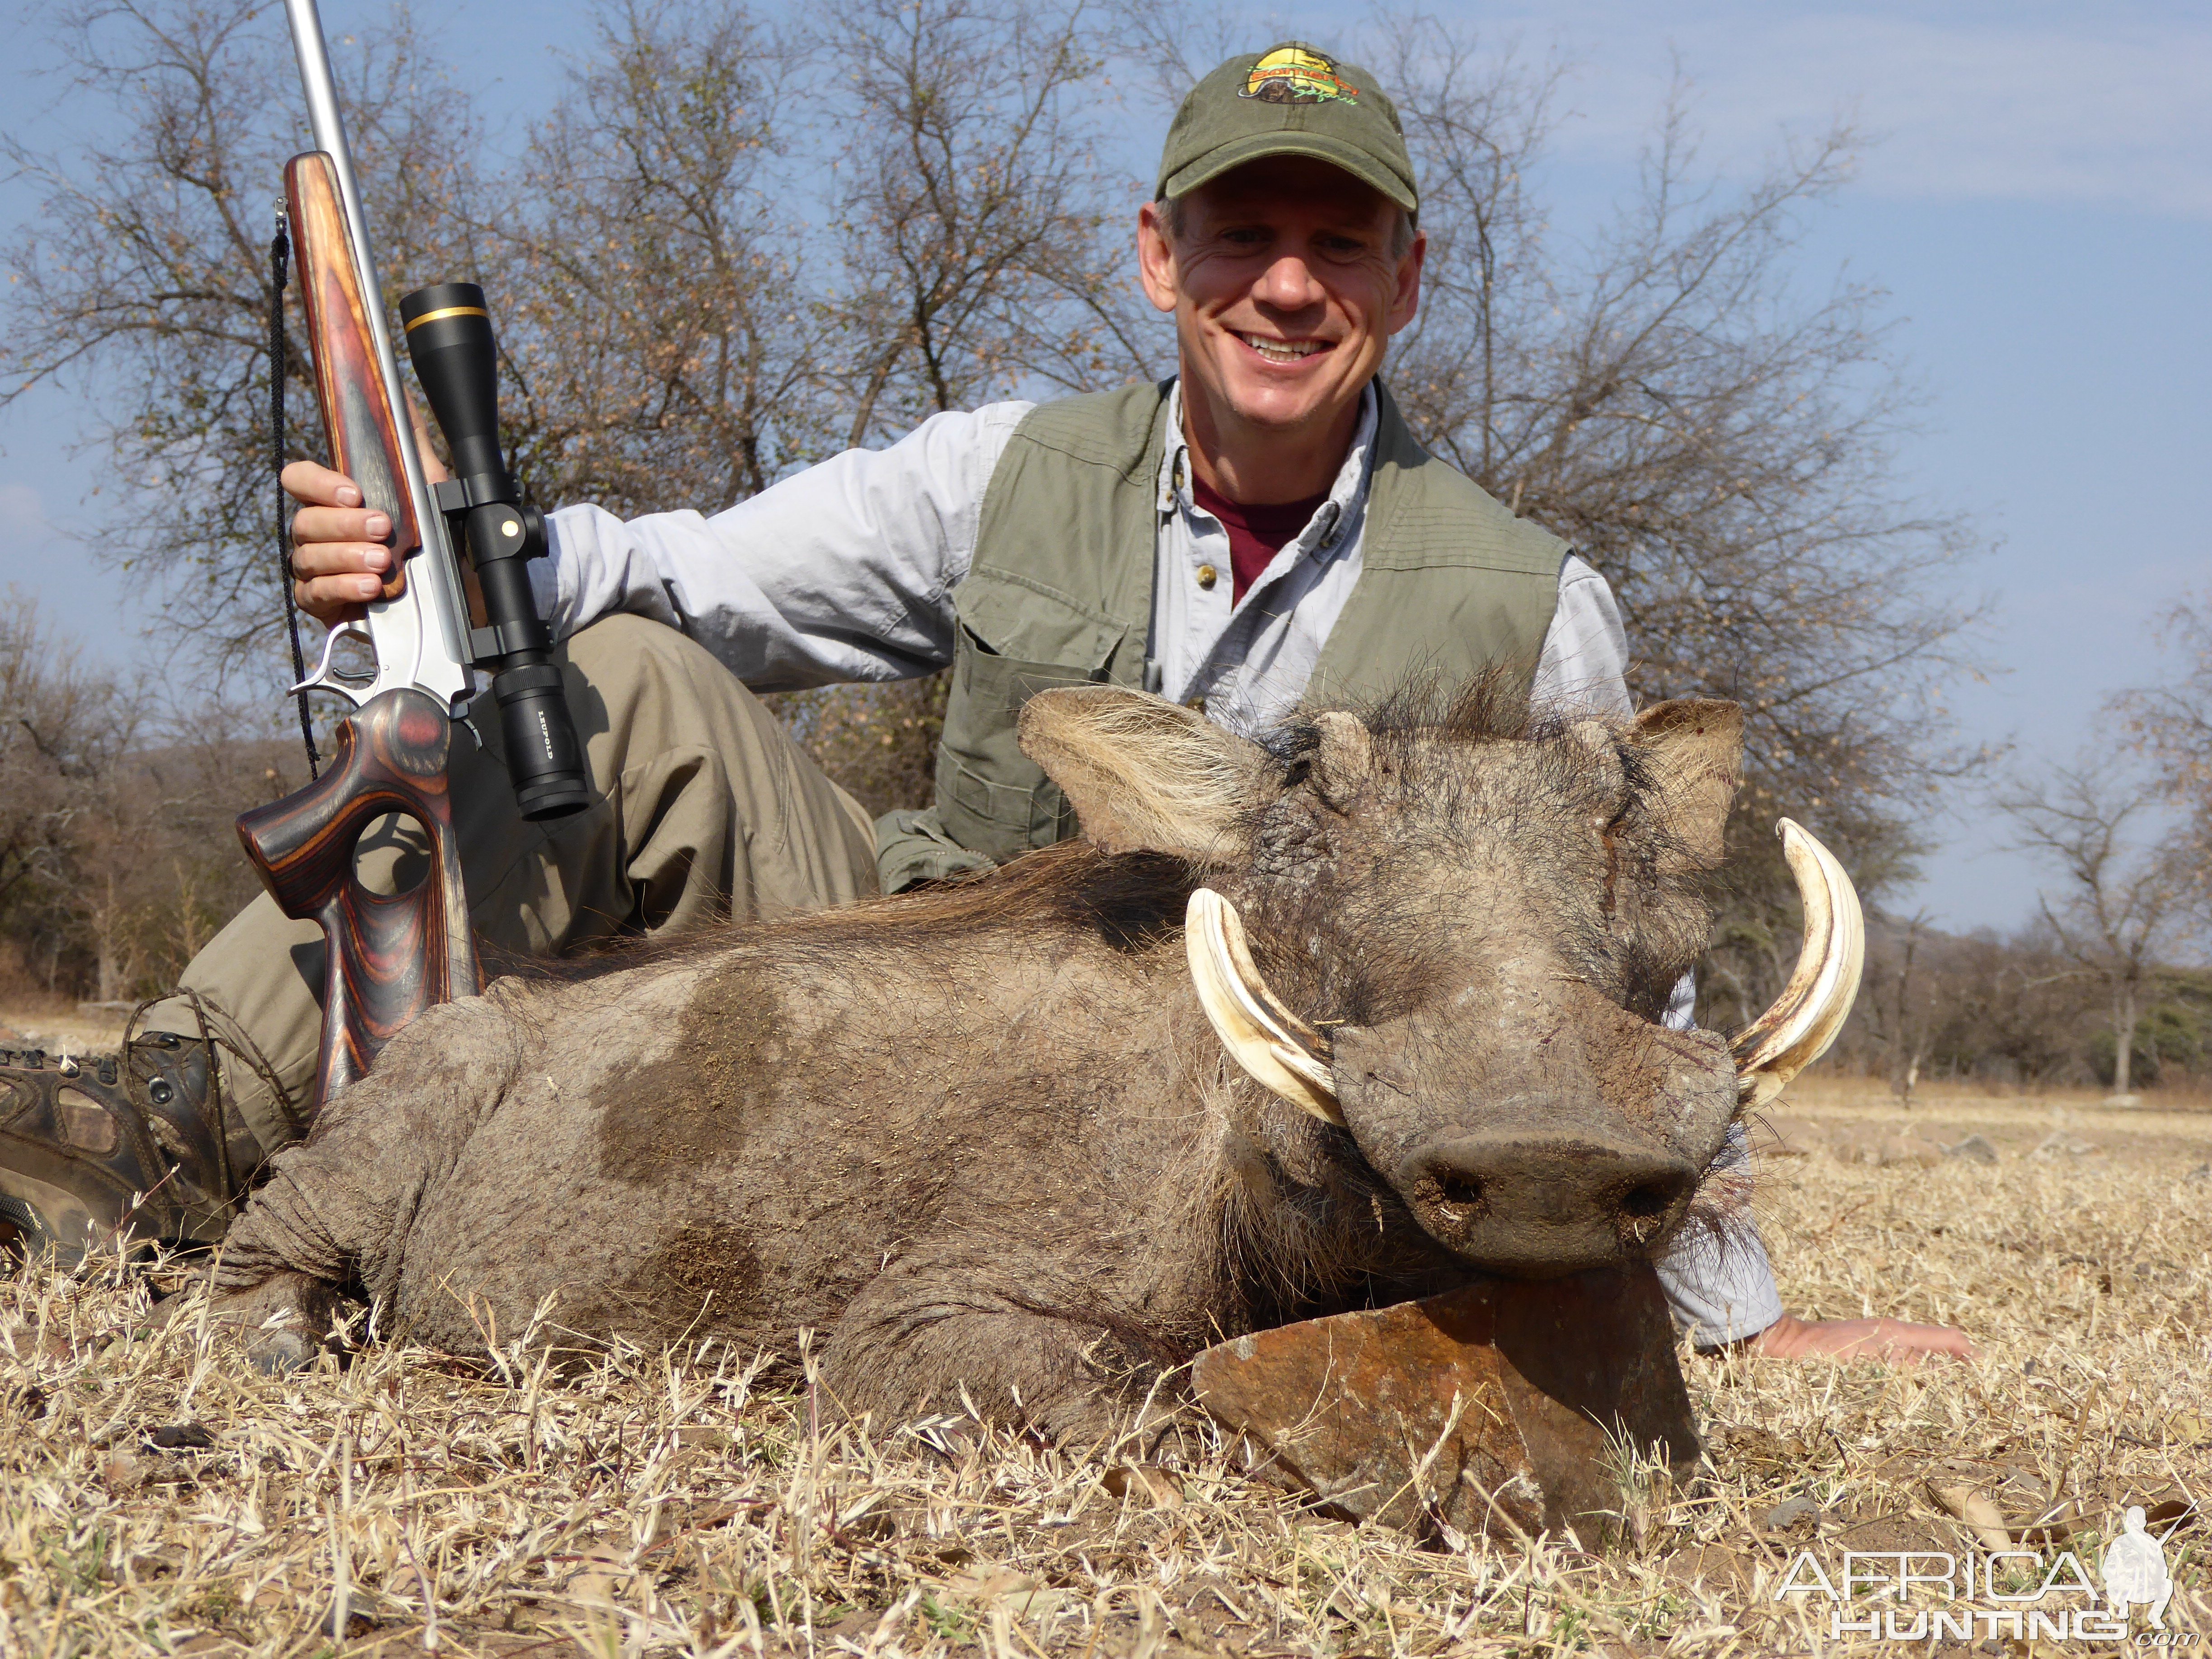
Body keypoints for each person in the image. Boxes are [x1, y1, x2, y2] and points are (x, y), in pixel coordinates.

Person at [0, 42, 1967, 1366]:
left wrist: (1713, 1293)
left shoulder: (1543, 611)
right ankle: (159, 1122)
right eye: (1241, 234)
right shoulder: (1000, 471)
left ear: (1410, 277)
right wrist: (428, 548)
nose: (1287, 284)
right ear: (1156, 255)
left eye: (1337, 241)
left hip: (1221, 1137)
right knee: (610, 680)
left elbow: (1617, 1004)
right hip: (928, 983)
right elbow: (675, 572)